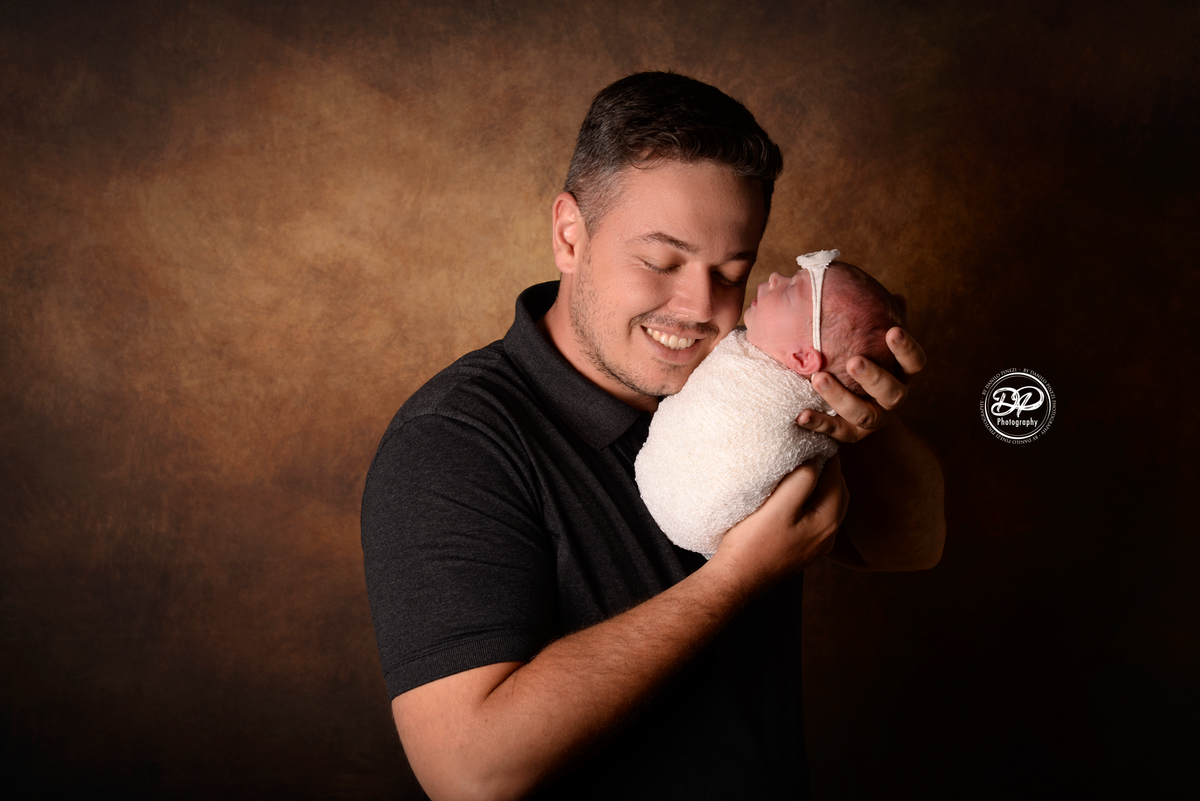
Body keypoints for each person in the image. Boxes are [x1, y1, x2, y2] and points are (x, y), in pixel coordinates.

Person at [361, 72, 945, 801]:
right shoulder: (453, 444)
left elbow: (914, 546)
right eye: (660, 261)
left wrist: (862, 412)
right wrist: (734, 578)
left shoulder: (752, 393)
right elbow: (469, 772)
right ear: (569, 236)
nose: (700, 308)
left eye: (731, 271)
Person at [636, 252, 907, 558]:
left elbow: (909, 550)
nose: (776, 277)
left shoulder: (800, 408)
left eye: (790, 290)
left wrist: (880, 425)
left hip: (703, 512)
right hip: (670, 488)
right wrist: (736, 574)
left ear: (802, 358)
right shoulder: (734, 357)